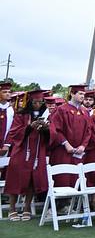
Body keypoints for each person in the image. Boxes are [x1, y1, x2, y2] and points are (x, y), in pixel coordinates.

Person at [3, 90, 49, 222]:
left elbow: (51, 135)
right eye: (35, 102)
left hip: (37, 152)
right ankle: (12, 209)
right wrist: (29, 127)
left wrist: (46, 129)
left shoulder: (45, 115)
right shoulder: (21, 115)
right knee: (15, 179)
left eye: (40, 102)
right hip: (22, 151)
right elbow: (14, 133)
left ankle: (27, 207)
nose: (38, 105)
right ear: (30, 102)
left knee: (31, 180)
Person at [48, 84, 92, 188]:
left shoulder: (85, 112)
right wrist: (66, 144)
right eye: (80, 93)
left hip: (78, 152)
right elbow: (56, 129)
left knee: (75, 179)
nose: (83, 96)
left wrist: (83, 146)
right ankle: (60, 204)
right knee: (62, 179)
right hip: (63, 151)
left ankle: (72, 203)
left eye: (84, 94)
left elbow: (88, 131)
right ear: (72, 93)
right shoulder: (61, 109)